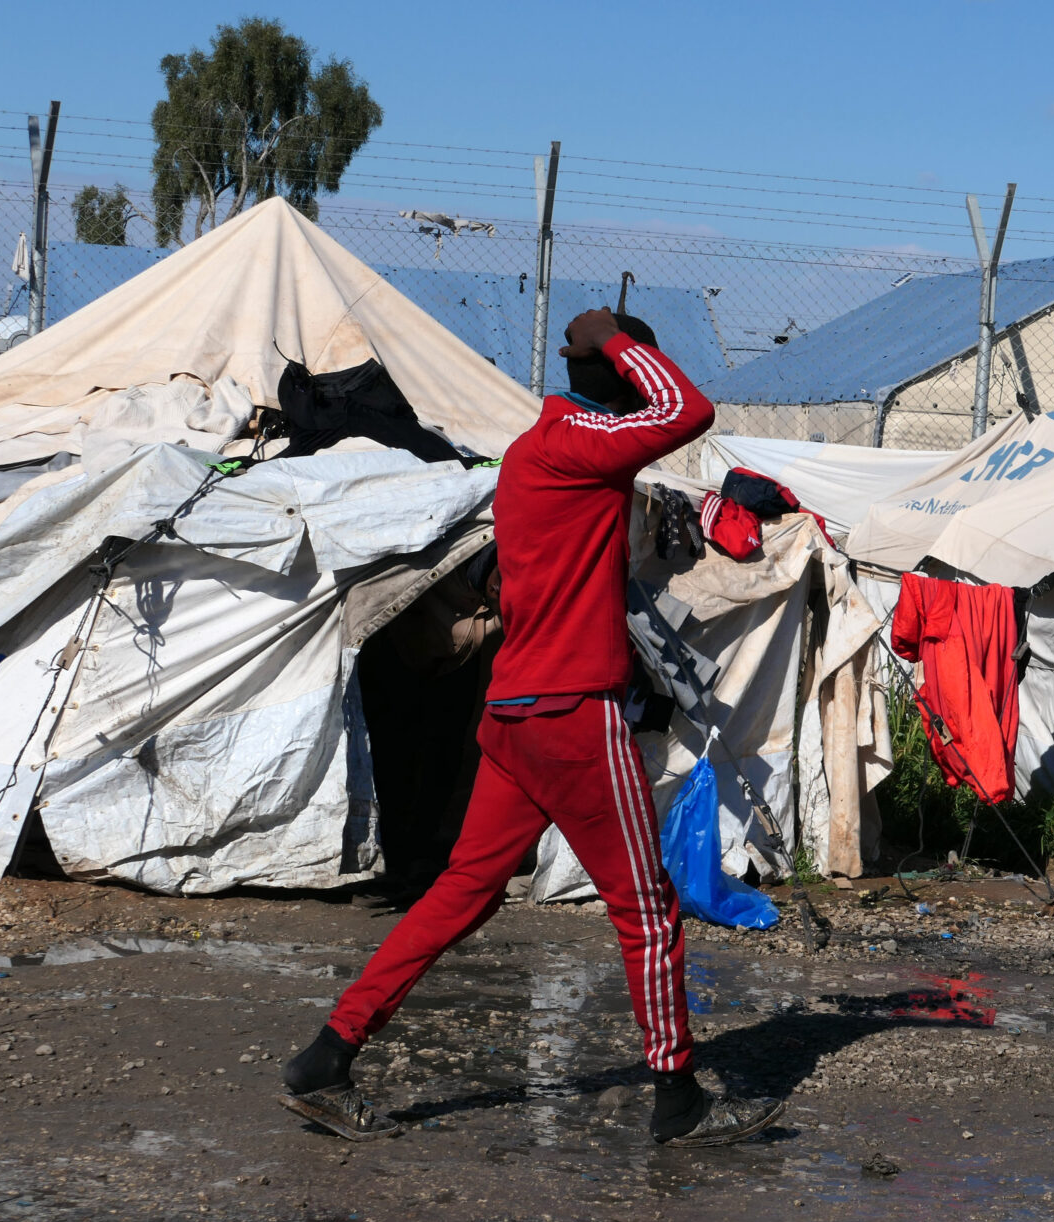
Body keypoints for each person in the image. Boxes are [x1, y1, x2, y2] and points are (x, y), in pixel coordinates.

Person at [280, 308, 783, 1147]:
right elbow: (687, 411)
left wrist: (610, 356)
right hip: (573, 714)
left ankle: (327, 1055)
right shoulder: (582, 446)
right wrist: (617, 340)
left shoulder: (528, 453)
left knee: (460, 893)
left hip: (513, 713)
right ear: (621, 380)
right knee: (648, 911)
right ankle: (678, 1098)